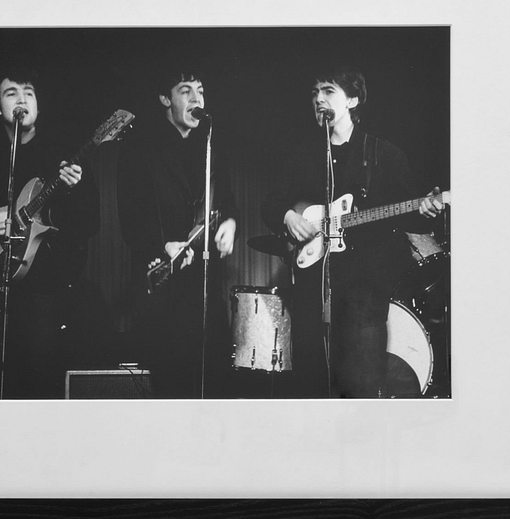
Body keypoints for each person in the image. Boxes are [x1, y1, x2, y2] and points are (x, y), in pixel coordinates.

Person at [261, 65, 444, 398]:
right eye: (315, 93)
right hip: (312, 288)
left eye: (328, 91)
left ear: (353, 100)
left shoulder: (383, 155)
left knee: (359, 383)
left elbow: (410, 218)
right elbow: (270, 203)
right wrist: (288, 216)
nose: (318, 99)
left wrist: (427, 209)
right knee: (311, 382)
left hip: (365, 290)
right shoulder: (303, 156)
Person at [0, 68, 100, 399]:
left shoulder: (63, 158)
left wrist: (75, 190)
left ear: (38, 107)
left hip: (44, 288)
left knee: (36, 380)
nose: (22, 98)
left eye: (29, 92)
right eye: (11, 92)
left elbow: (91, 224)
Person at [116, 69, 239, 399]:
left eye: (200, 90)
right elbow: (129, 215)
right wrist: (159, 245)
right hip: (161, 283)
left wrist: (230, 224)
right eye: (186, 91)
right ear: (165, 99)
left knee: (214, 378)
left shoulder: (211, 145)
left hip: (204, 283)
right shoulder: (139, 148)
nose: (197, 98)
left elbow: (226, 202)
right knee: (171, 383)